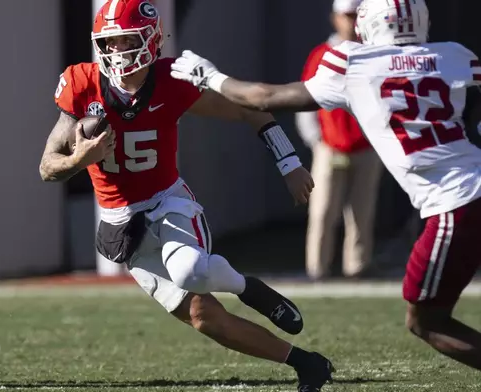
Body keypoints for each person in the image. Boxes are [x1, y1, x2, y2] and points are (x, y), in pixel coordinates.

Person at [171, 0, 481, 371]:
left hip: (457, 201)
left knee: (426, 319)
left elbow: (263, 98)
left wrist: (210, 76)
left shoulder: (354, 61)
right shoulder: (454, 55)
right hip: (466, 186)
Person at [40, 0, 334, 390]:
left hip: (168, 201)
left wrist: (288, 162)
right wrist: (81, 157)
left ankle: (246, 288)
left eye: (125, 40)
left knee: (192, 271)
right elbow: (47, 167)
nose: (115, 51)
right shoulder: (81, 84)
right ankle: (307, 364)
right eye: (108, 43)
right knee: (204, 317)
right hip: (120, 220)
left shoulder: (173, 78)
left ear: (150, 40)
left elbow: (252, 109)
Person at [296, 0, 382, 280]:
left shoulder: (374, 54)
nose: (352, 21)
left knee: (361, 214)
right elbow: (304, 101)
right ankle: (316, 271)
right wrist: (317, 141)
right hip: (329, 147)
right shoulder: (321, 54)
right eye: (347, 15)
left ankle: (357, 269)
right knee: (322, 212)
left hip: (366, 148)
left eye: (357, 15)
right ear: (335, 18)